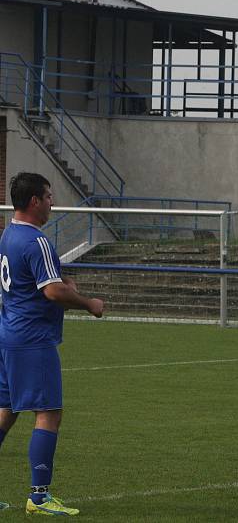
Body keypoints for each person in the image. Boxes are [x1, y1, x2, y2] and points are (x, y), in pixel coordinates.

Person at [0, 172, 104, 516]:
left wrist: (61, 282)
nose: (51, 202)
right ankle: (40, 497)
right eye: (48, 196)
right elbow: (51, 291)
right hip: (32, 340)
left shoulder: (8, 234)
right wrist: (88, 303)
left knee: (6, 413)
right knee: (48, 413)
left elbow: (33, 281)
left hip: (8, 335)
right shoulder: (36, 240)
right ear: (34, 201)